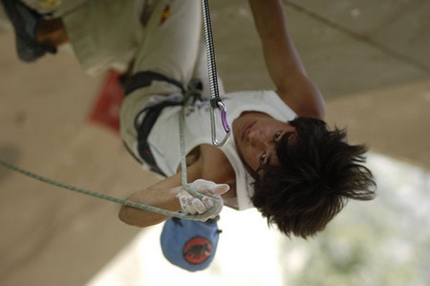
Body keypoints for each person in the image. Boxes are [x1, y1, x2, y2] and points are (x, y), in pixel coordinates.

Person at [2, 0, 376, 271]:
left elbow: (130, 210)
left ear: (259, 183)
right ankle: (83, 39)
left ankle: (43, 32)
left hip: (152, 107)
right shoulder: (304, 105)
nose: (257, 136)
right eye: (277, 138)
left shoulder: (218, 177)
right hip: (195, 96)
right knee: (154, 25)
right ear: (302, 126)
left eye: (262, 158)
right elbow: (269, 26)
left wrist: (183, 200)